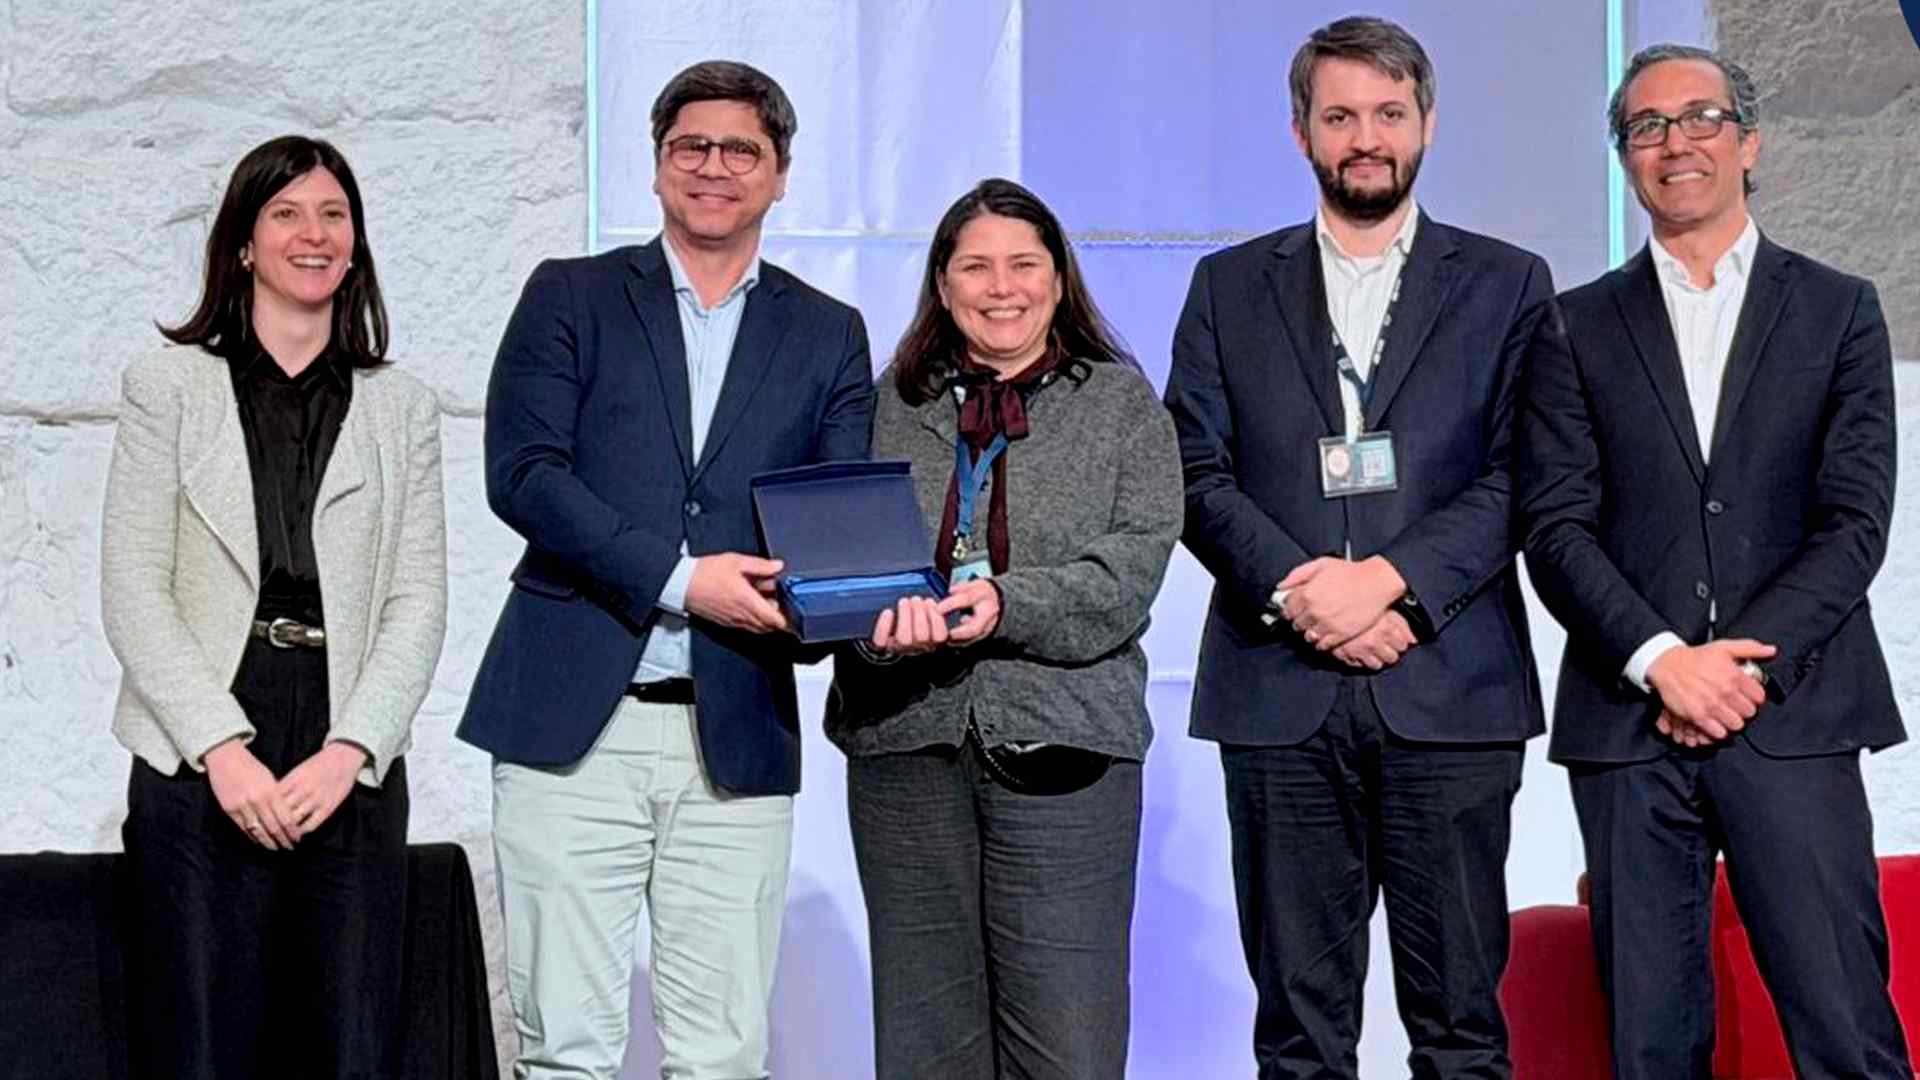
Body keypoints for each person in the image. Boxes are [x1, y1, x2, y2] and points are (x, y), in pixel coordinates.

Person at [457, 60, 874, 1079]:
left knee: (723, 1056)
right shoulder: (572, 295)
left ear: (780, 174)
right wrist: (684, 581)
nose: (713, 167)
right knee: (566, 1051)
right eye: (691, 146)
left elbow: (836, 523)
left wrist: (828, 605)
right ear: (655, 166)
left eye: (741, 150)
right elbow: (524, 474)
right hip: (571, 728)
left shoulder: (828, 333)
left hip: (736, 729)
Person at [1162, 16, 1556, 1077]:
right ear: (1301, 132)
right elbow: (1193, 470)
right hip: (1277, 691)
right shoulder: (1227, 286)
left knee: (1461, 1030)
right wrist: (1302, 591)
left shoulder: (1509, 283)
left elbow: (1525, 473)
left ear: (1427, 123)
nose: (1366, 138)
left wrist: (1389, 583)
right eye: (1340, 116)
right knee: (1298, 1035)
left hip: (1450, 689)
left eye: (1389, 113)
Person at [1518, 43, 1911, 1078]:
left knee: (1845, 1033)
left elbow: (1855, 522)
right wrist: (1663, 661)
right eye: (1646, 127)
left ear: (1749, 142)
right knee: (1651, 1046)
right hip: (1629, 725)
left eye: (1700, 117)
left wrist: (1740, 671)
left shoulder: (1837, 308)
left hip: (1795, 717)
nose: (1675, 142)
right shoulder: (1570, 325)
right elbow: (1555, 527)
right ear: (1625, 157)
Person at [101, 134, 447, 1079]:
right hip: (199, 737)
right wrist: (221, 749)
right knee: (199, 1048)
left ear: (356, 244)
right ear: (245, 245)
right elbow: (133, 585)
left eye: (334, 215)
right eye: (286, 214)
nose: (313, 234)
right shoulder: (167, 387)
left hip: (346, 740)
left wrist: (351, 752)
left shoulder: (402, 406)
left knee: (351, 1050)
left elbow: (418, 600)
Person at [828, 177, 1182, 1079]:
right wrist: (874, 630)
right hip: (905, 743)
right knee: (925, 1042)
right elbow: (841, 558)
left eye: (1024, 264)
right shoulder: (886, 405)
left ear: (1059, 280)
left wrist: (1006, 604)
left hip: (1067, 746)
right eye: (976, 266)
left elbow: (1129, 571)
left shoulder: (1122, 407)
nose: (1002, 287)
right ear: (942, 284)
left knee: (1067, 1043)